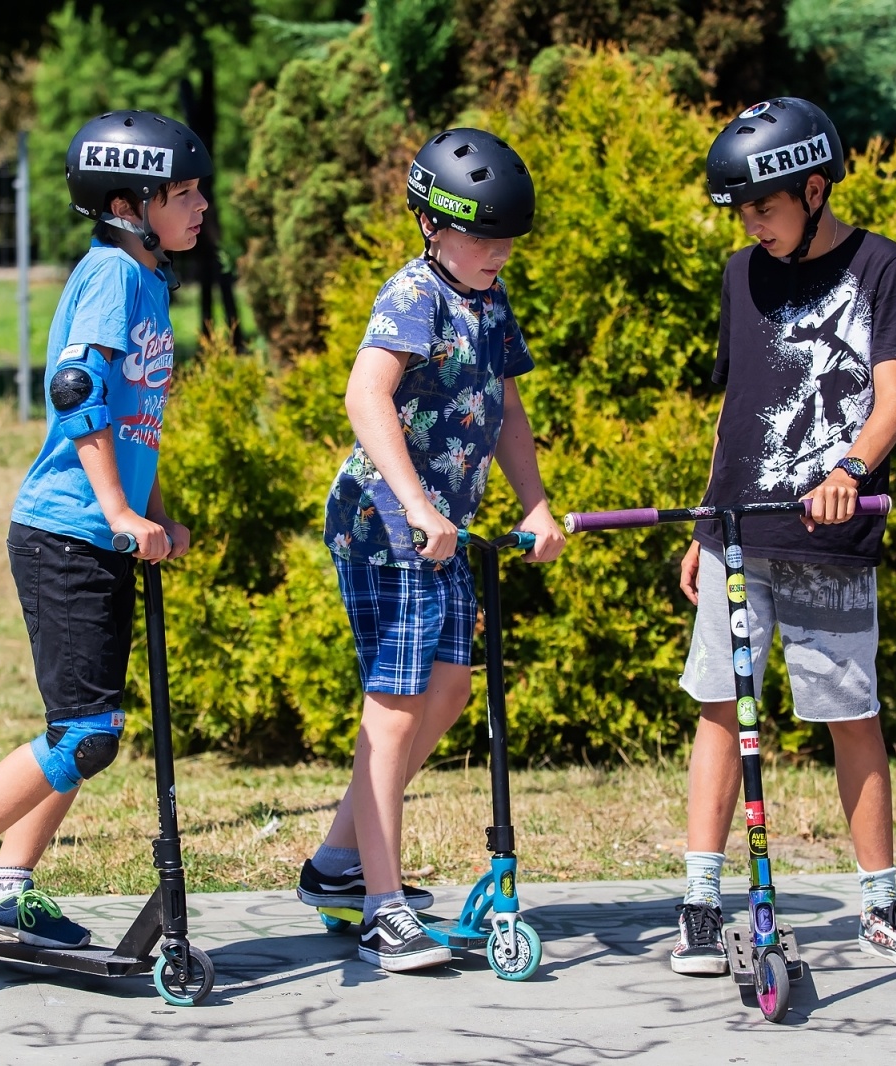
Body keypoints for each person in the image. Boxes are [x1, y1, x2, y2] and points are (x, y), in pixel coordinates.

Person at [0, 111, 209, 970]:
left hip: (99, 532)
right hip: (65, 531)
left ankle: (7, 890)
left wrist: (153, 513)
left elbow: (137, 422)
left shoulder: (146, 281)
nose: (202, 205)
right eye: (184, 192)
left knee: (83, 726)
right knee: (85, 735)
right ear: (128, 204)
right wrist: (115, 513)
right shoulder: (110, 273)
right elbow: (75, 390)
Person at [671, 98, 896, 975]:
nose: (751, 224)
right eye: (741, 212)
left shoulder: (880, 268)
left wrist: (849, 474)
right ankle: (700, 904)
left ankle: (879, 907)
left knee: (850, 715)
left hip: (832, 536)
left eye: (764, 206)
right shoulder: (739, 274)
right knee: (722, 708)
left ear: (816, 188)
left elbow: (893, 396)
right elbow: (735, 405)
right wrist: (702, 521)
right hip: (737, 536)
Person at [295, 128, 566, 972]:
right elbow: (364, 392)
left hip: (445, 531)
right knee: (398, 701)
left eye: (509, 239)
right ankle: (381, 905)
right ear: (433, 226)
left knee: (448, 689)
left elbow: (507, 411)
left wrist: (538, 502)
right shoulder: (415, 294)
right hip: (386, 523)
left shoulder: (491, 299)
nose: (501, 252)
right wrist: (414, 501)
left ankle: (339, 862)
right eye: (486, 238)